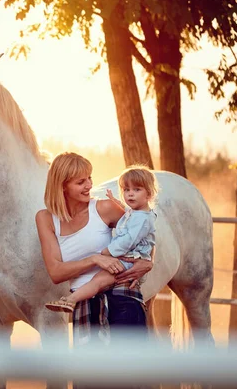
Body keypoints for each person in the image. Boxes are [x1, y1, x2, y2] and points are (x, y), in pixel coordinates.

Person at [35, 152, 153, 389]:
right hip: (85, 301)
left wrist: (147, 262)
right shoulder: (46, 218)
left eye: (89, 178)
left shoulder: (106, 208)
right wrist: (94, 259)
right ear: (62, 186)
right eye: (80, 181)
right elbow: (56, 272)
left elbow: (143, 233)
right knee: (89, 380)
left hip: (121, 294)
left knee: (132, 377)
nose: (89, 185)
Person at [45, 165, 158, 313]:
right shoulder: (135, 213)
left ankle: (70, 301)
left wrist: (107, 252)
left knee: (98, 281)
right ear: (62, 186)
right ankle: (71, 300)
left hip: (126, 262)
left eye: (136, 190)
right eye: (126, 190)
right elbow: (129, 219)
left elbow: (131, 239)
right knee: (97, 281)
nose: (89, 185)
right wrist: (116, 202)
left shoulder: (142, 218)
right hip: (122, 262)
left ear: (149, 194)